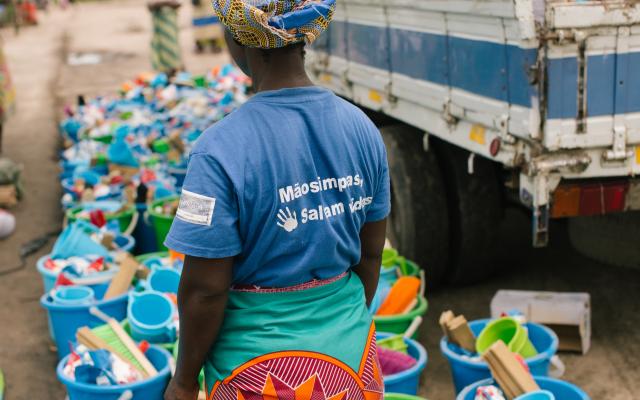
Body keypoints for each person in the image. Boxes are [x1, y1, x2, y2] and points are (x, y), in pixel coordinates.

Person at [163, 1, 390, 399]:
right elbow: (370, 257)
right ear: (305, 34)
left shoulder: (218, 151)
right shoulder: (363, 130)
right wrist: (339, 325)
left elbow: (205, 291)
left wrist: (183, 382)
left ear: (238, 37)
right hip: (352, 366)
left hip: (260, 377)